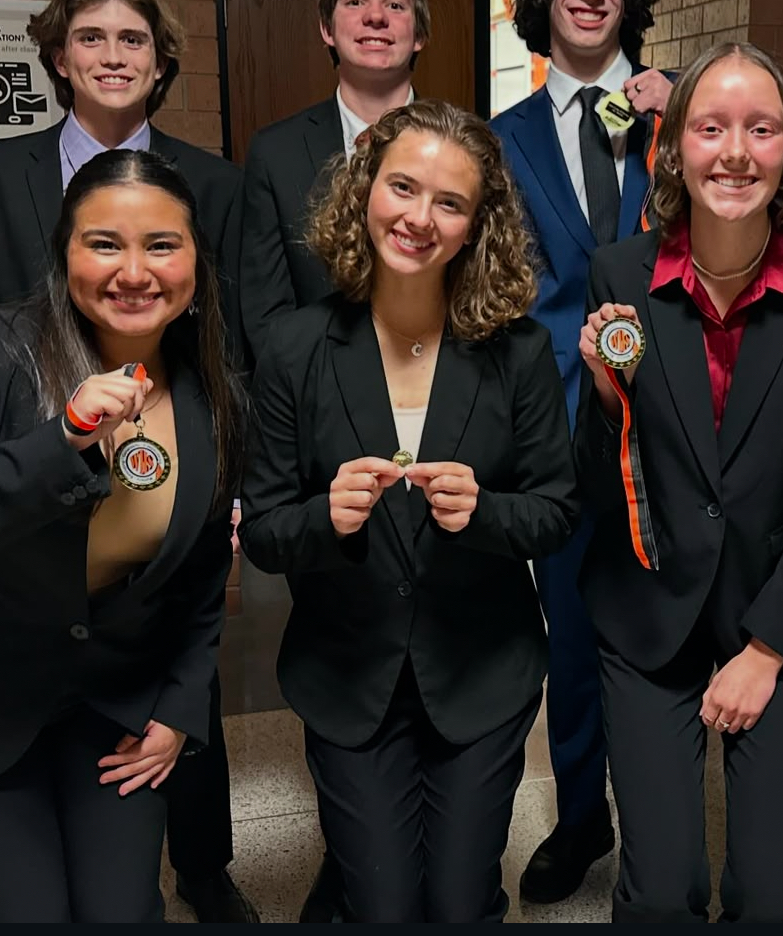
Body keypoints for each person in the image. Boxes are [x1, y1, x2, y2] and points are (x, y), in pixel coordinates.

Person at [0, 0, 255, 923]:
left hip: (116, 706)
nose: (134, 272)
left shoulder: (211, 392)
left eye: (162, 246)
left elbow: (205, 572)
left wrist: (176, 705)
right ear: (64, 253)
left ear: (196, 262)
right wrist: (69, 436)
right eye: (104, 246)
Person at [239, 99, 579, 922]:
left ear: (476, 225)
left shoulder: (518, 350)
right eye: (403, 186)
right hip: (349, 675)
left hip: (480, 670)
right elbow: (269, 534)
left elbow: (557, 510)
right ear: (365, 189)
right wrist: (328, 515)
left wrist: (487, 512)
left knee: (461, 904)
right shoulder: (295, 347)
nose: (419, 218)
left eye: (450, 202)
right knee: (384, 906)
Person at [573, 42, 783, 922]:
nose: (736, 152)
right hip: (650, 603)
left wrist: (766, 650)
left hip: (781, 603)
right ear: (674, 147)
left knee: (767, 896)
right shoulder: (619, 274)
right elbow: (595, 486)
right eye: (711, 128)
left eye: (762, 128)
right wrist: (603, 397)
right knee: (662, 891)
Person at [490, 0, 673, 904]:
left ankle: (661, 805)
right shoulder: (500, 139)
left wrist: (679, 105)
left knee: (666, 613)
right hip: (557, 419)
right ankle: (580, 811)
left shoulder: (677, 116)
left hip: (678, 415)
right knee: (569, 625)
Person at [240, 0, 430, 363]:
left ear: (419, 35)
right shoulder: (275, 153)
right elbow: (266, 315)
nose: (375, 16)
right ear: (327, 29)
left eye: (395, 4)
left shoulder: (461, 149)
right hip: (316, 401)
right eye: (355, 1)